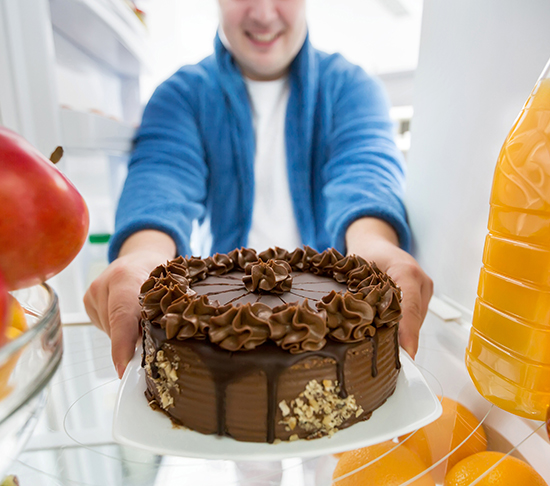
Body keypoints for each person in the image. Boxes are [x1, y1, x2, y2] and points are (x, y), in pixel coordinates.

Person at [84, 0, 433, 378]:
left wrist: (374, 247)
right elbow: (161, 181)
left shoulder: (352, 88)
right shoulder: (180, 96)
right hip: (223, 344)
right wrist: (140, 259)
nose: (264, 13)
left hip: (331, 349)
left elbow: (365, 173)